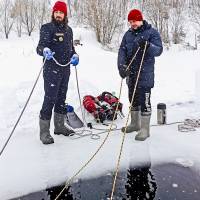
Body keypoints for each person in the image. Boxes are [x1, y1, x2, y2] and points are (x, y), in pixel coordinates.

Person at [36, 1, 79, 145]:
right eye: (56, 12)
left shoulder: (69, 30)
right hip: (51, 69)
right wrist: (44, 51)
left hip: (65, 69)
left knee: (61, 97)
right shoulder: (47, 28)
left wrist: (75, 55)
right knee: (50, 98)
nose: (58, 15)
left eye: (61, 12)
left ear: (65, 14)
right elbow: (40, 47)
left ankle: (59, 126)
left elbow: (71, 49)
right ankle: (44, 132)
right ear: (53, 13)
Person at [118, 9, 163, 141]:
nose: (133, 24)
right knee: (133, 99)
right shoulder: (128, 35)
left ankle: (145, 129)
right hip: (131, 74)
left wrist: (148, 46)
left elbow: (159, 50)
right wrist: (122, 66)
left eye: (135, 21)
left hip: (145, 74)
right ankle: (135, 123)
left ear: (141, 19)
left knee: (145, 101)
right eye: (130, 22)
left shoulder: (151, 33)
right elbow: (122, 51)